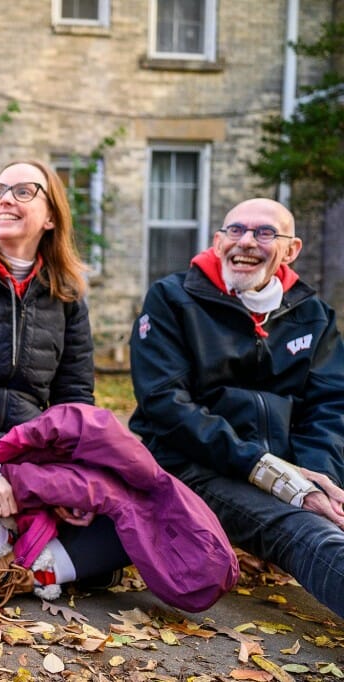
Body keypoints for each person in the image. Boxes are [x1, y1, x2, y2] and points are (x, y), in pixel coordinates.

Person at [0, 160, 237, 610]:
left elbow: (75, 401)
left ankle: (0, 571)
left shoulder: (66, 293)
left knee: (134, 511)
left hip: (28, 452)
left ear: (51, 215)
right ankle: (49, 562)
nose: (4, 200)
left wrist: (69, 481)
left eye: (23, 191)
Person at [129, 197, 344, 618]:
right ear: (218, 240)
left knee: (328, 511)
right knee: (311, 534)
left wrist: (319, 480)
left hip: (291, 466)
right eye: (235, 230)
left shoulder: (312, 314)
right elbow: (166, 407)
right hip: (199, 466)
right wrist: (285, 483)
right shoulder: (172, 300)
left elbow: (330, 407)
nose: (245, 242)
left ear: (291, 249)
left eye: (264, 233)